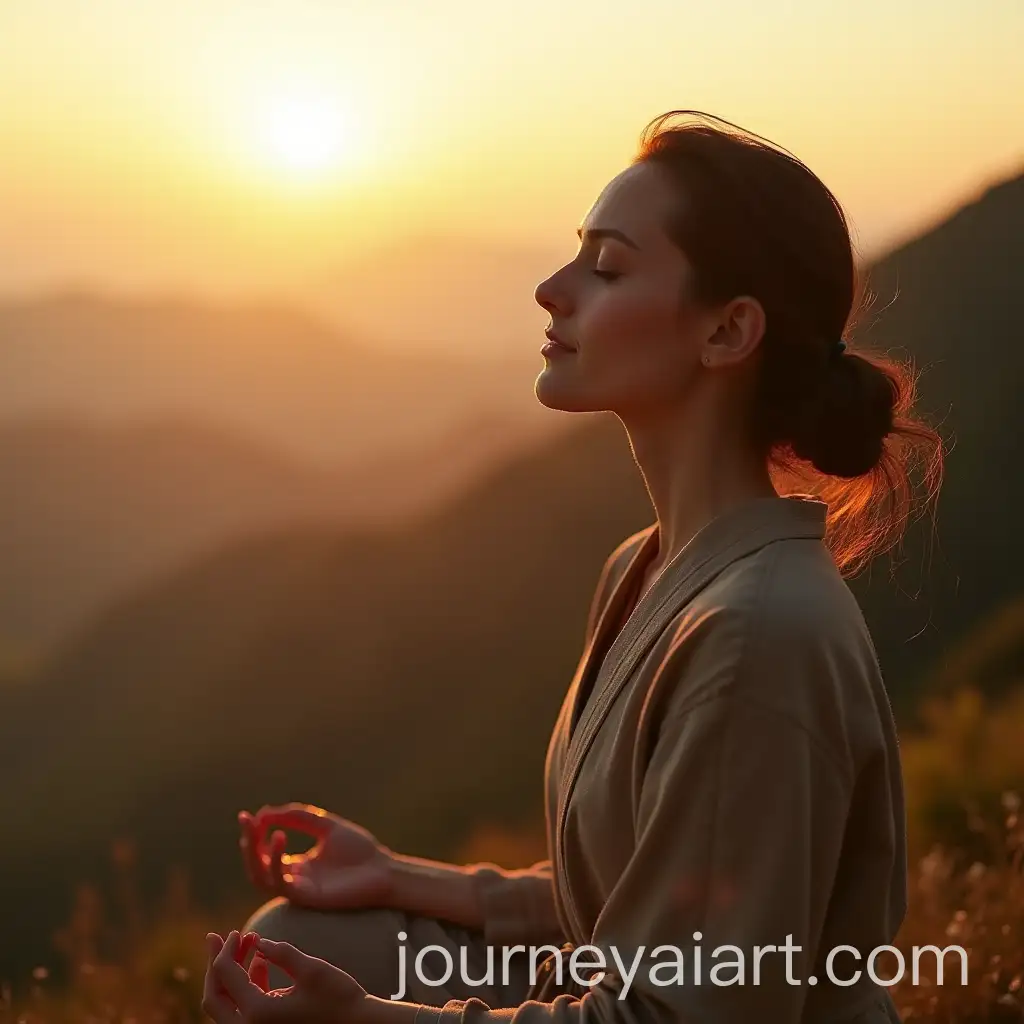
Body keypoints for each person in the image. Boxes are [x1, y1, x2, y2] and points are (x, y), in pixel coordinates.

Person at [202, 110, 943, 1024]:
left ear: (727, 332)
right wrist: (398, 877)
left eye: (608, 268)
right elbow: (644, 885)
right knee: (297, 934)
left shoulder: (760, 638)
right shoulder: (646, 567)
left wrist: (365, 1021)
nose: (551, 290)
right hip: (612, 985)